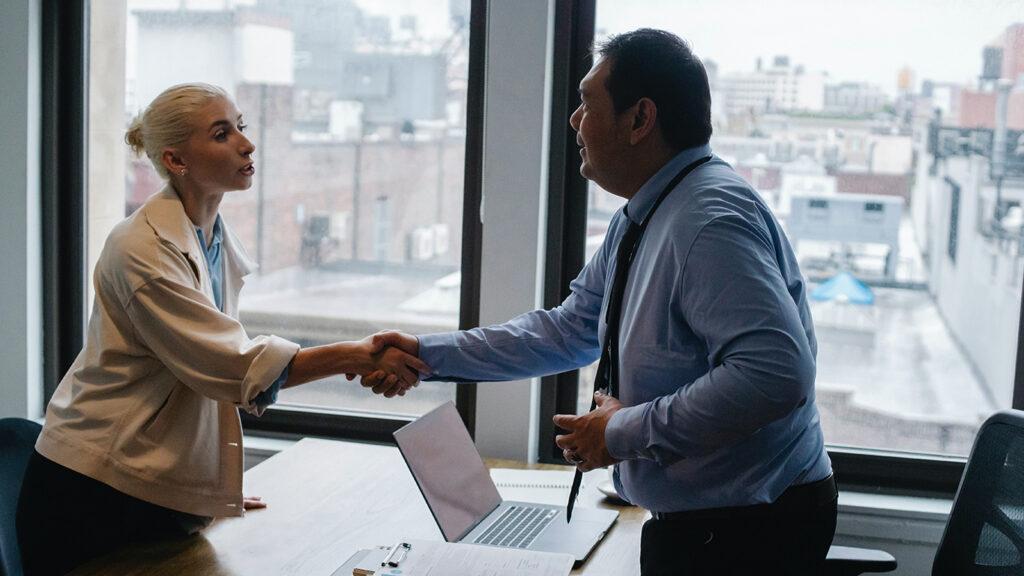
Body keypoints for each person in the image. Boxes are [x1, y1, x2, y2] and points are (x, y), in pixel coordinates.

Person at [364, 29, 836, 575]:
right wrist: (426, 354)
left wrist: (619, 432)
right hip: (710, 522)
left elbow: (774, 374)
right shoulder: (647, 212)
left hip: (745, 530)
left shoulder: (709, 221)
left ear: (640, 119)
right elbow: (567, 331)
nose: (573, 120)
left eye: (587, 102)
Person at [15, 83, 428, 576]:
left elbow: (207, 373)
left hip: (147, 483)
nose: (246, 144)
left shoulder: (207, 236)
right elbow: (231, 365)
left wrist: (207, 487)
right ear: (175, 159)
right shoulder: (142, 250)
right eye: (221, 133)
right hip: (94, 491)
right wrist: (357, 356)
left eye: (241, 127)